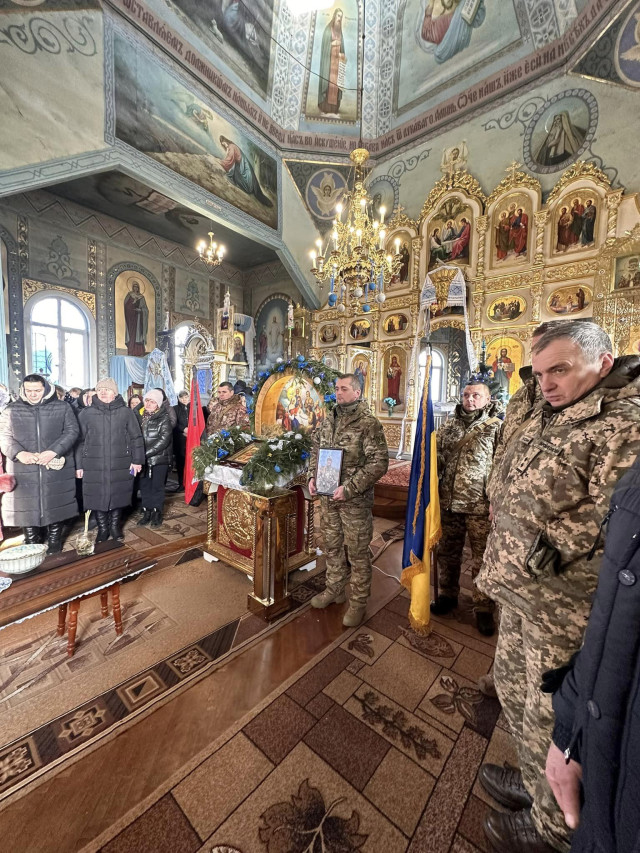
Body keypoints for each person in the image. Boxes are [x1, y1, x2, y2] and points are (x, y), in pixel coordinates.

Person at [476, 321, 640, 853]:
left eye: (560, 370)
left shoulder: (623, 425)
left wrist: (551, 540)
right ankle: (532, 787)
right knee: (515, 694)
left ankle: (553, 830)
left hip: (564, 612)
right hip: (522, 593)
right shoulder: (553, 407)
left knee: (553, 719)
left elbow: (623, 529)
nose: (545, 383)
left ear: (604, 362)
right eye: (540, 372)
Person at [545, 456, 640, 852]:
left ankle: (546, 826)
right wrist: (569, 728)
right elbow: (616, 610)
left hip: (560, 599)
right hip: (601, 699)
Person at [308, 374, 389, 627]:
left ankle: (358, 602)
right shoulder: (328, 419)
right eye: (336, 388)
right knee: (331, 546)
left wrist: (350, 488)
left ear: (357, 392)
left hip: (354, 501)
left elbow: (379, 463)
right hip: (328, 498)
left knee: (357, 552)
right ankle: (335, 589)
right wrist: (312, 476)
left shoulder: (368, 423)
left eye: (344, 388)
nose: (338, 392)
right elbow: (315, 449)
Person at [431, 382, 501, 636]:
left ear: (487, 399)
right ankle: (448, 594)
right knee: (448, 553)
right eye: (466, 395)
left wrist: (495, 500)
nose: (470, 399)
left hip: (479, 506)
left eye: (476, 395)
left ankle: (483, 607)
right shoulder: (449, 427)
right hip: (449, 504)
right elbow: (437, 459)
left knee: (482, 558)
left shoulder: (496, 428)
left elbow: (502, 466)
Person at [0, 374, 79, 554]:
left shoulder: (62, 407)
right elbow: (3, 436)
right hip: (23, 467)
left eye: (37, 390)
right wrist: (19, 453)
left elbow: (72, 431)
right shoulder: (11, 409)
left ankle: (54, 540)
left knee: (56, 502)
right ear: (23, 389)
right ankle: (31, 540)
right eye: (28, 390)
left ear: (46, 389)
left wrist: (54, 451)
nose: (33, 394)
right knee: (26, 506)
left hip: (54, 465)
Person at [76, 378, 144, 542]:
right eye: (100, 390)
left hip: (121, 462)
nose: (103, 392)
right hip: (93, 463)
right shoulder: (86, 413)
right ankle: (103, 528)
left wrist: (137, 460)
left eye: (107, 389)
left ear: (115, 393)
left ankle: (115, 527)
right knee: (97, 496)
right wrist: (79, 465)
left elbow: (136, 438)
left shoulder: (126, 412)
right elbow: (79, 442)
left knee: (118, 494)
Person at [138, 389, 172, 529]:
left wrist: (146, 453)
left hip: (159, 459)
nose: (149, 404)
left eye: (152, 402)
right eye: (147, 401)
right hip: (142, 458)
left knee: (157, 486)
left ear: (158, 404)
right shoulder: (139, 416)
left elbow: (164, 440)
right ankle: (147, 511)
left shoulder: (164, 418)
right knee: (144, 486)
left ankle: (157, 512)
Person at [218, 135, 273, 207]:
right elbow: (230, 159)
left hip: (244, 166)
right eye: (223, 145)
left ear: (226, 141)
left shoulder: (231, 146)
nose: (225, 146)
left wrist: (221, 162)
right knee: (236, 175)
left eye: (224, 144)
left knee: (246, 183)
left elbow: (230, 159)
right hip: (241, 165)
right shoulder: (231, 147)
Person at [318, 8, 346, 114]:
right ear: (334, 16)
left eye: (341, 17)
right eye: (338, 16)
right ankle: (325, 107)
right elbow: (325, 47)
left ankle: (334, 108)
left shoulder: (340, 32)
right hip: (329, 64)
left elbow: (342, 49)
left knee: (335, 85)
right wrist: (332, 45)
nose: (339, 19)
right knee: (329, 83)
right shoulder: (327, 30)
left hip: (337, 65)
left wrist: (342, 55)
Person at [123, 281, 148, 357]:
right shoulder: (129, 295)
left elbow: (146, 309)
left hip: (139, 319)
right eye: (134, 286)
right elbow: (126, 306)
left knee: (139, 335)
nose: (136, 288)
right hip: (131, 318)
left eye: (137, 287)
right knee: (132, 335)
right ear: (132, 287)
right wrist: (132, 303)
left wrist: (140, 310)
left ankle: (140, 352)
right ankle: (131, 350)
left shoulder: (141, 297)